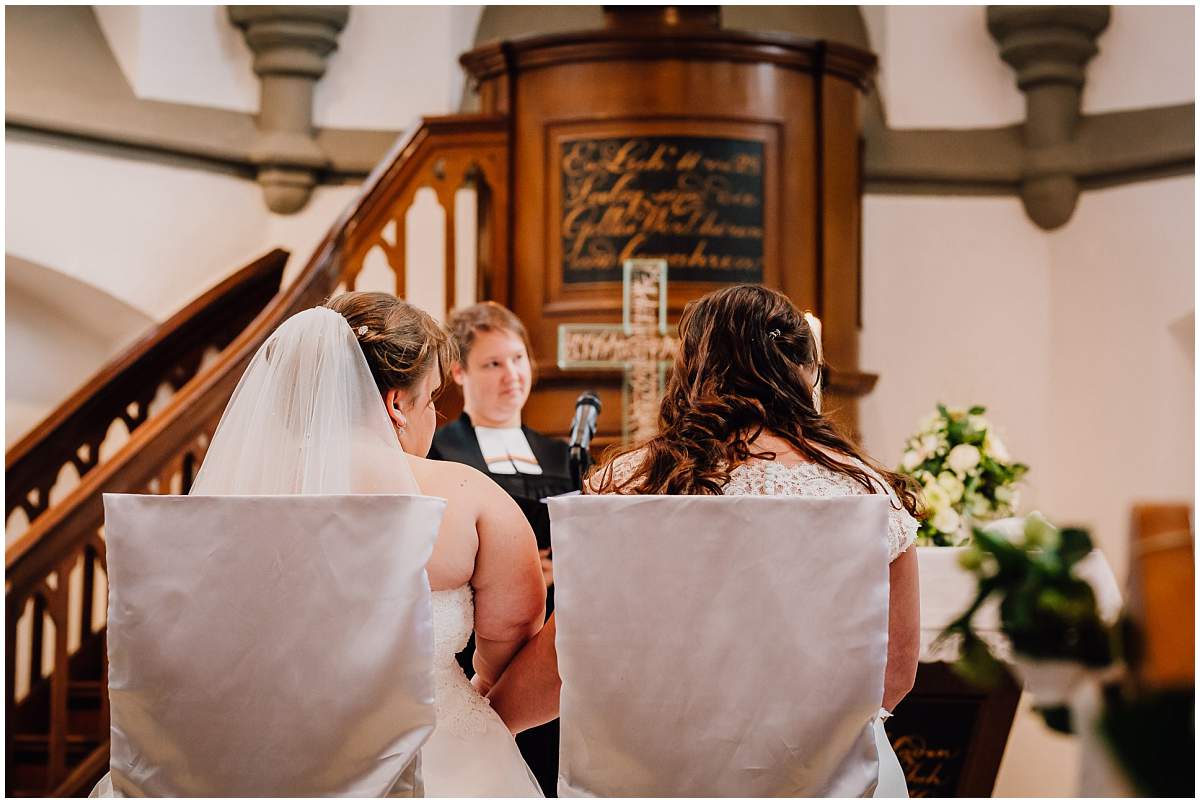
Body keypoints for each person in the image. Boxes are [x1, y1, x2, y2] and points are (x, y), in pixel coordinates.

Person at [95, 293, 546, 797]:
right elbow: (512, 635)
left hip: (243, 766)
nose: (435, 419)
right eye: (432, 399)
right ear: (397, 403)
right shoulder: (469, 497)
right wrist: (476, 703)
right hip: (432, 759)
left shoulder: (232, 495)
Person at [486, 284, 921, 796]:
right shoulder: (867, 491)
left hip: (654, 782)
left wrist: (491, 723)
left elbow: (574, 651)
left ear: (692, 371)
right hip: (826, 783)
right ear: (805, 372)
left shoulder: (626, 484)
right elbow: (894, 672)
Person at [428, 301, 571, 795]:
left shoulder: (562, 453)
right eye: (493, 363)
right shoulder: (440, 451)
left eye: (518, 359)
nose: (511, 375)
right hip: (479, 636)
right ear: (459, 372)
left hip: (554, 634)